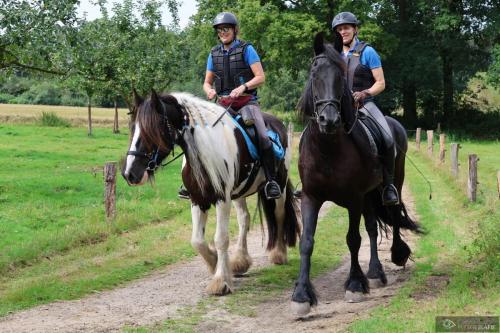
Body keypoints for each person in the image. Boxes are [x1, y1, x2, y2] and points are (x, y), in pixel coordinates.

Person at [179, 12, 281, 200]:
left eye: (226, 29)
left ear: (234, 30)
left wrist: (243, 87)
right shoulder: (213, 53)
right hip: (221, 105)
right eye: (220, 30)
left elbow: (261, 77)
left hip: (246, 103)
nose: (223, 32)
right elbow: (206, 82)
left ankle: (271, 180)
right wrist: (209, 90)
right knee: (197, 134)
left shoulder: (247, 49)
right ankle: (191, 181)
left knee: (263, 137)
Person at [332, 11, 399, 205]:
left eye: (346, 28)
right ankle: (311, 181)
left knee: (387, 137)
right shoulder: (334, 54)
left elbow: (381, 83)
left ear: (355, 29)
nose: (342, 32)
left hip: (364, 105)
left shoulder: (368, 52)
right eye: (339, 29)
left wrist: (365, 93)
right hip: (338, 108)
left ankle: (388, 185)